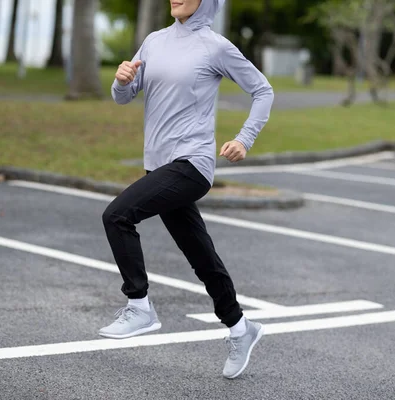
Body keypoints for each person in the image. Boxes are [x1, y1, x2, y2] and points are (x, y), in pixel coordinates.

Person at [99, 0, 274, 379]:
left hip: (192, 164)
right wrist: (122, 80)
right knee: (201, 255)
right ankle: (242, 329)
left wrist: (245, 139)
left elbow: (263, 91)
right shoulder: (154, 41)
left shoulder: (215, 46)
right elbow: (124, 97)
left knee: (117, 216)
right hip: (159, 165)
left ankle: (140, 307)